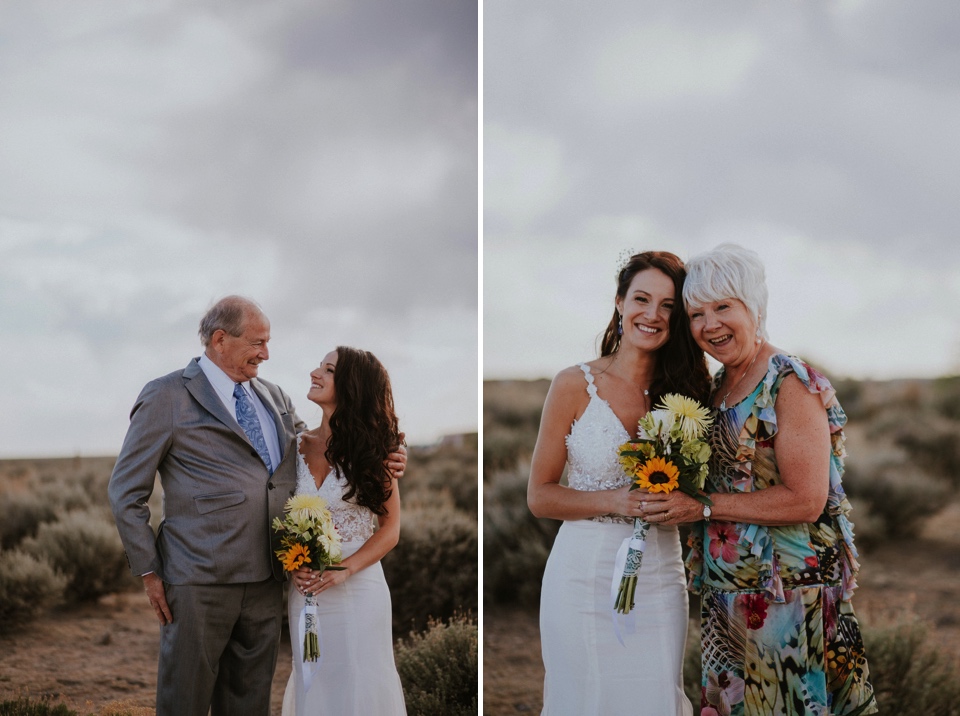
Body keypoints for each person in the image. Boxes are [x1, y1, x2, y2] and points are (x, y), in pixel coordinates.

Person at [108, 296, 406, 716]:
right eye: (258, 342)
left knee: (248, 705)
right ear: (220, 339)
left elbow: (331, 446)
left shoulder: (275, 397)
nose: (267, 354)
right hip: (197, 582)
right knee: (183, 703)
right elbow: (126, 492)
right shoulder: (167, 396)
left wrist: (390, 452)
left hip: (269, 584)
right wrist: (149, 570)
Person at [639, 244, 878, 716]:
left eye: (724, 307)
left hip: (787, 595)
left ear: (755, 307)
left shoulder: (788, 381)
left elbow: (806, 500)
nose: (710, 325)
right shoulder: (717, 385)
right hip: (729, 592)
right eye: (696, 313)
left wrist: (703, 506)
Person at [527, 251, 711, 715]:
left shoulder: (691, 394)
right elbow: (540, 496)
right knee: (584, 696)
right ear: (619, 303)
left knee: (653, 694)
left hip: (660, 571)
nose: (652, 315)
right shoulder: (574, 384)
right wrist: (617, 500)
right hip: (581, 571)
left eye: (668, 306)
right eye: (642, 299)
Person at [281, 346, 406, 715]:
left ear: (351, 385)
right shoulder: (294, 445)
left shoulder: (376, 449)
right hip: (304, 592)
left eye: (329, 369)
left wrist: (344, 570)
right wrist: (292, 563)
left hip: (359, 589)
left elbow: (390, 529)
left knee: (359, 682)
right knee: (312, 680)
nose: (315, 373)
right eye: (319, 365)